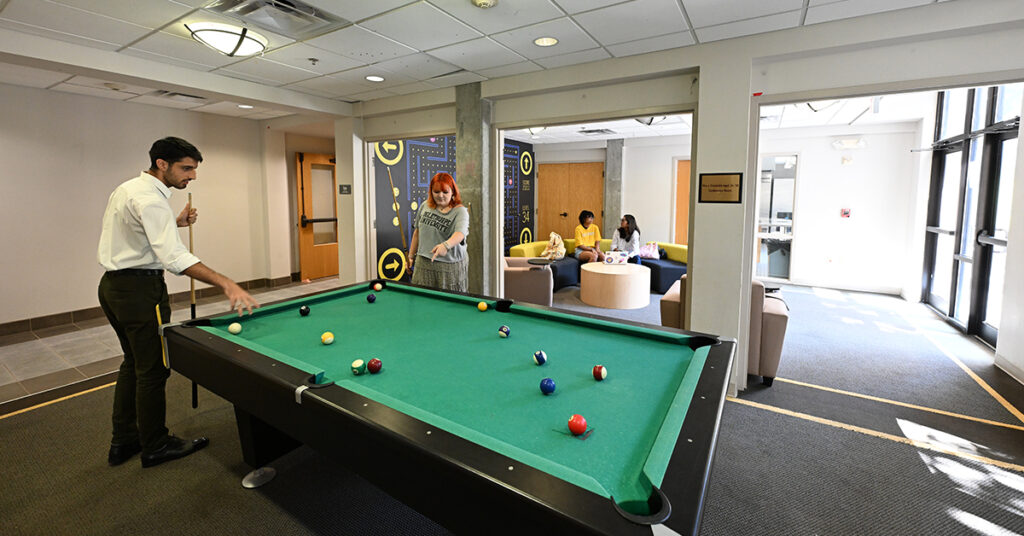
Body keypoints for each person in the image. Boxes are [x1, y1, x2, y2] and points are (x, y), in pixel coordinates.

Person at [97, 137, 260, 468]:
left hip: (112, 288)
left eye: (194, 169)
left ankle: (124, 440)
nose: (192, 176)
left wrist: (176, 222)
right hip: (141, 292)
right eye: (186, 168)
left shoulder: (128, 189)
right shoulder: (152, 201)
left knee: (133, 363)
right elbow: (173, 257)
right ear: (162, 164)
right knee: (153, 369)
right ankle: (155, 444)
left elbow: (137, 233)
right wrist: (226, 283)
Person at [406, 172, 469, 292]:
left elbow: (460, 234)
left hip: (449, 266)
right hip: (423, 263)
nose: (440, 196)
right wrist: (410, 256)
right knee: (422, 300)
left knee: (449, 304)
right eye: (436, 192)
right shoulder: (425, 206)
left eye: (445, 192)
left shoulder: (460, 211)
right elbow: (417, 232)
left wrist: (446, 245)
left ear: (453, 192)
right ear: (431, 192)